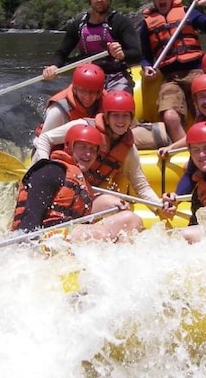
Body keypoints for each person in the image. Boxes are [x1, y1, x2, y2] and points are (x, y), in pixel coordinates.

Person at [33, 90, 176, 217]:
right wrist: (44, 169)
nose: (121, 121)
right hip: (59, 187)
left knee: (117, 206)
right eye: (116, 116)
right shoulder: (83, 126)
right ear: (106, 117)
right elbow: (45, 138)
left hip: (87, 196)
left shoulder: (129, 150)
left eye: (125, 116)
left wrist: (159, 206)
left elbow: (141, 187)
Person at [12, 124, 143, 243]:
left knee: (131, 220)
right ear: (69, 147)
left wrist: (111, 204)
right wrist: (28, 246)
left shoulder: (81, 179)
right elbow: (31, 216)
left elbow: (78, 212)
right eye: (82, 147)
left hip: (68, 231)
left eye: (93, 149)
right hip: (46, 236)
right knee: (102, 233)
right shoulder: (51, 170)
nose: (88, 154)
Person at [139, 0, 206, 142]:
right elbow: (145, 57)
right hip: (171, 78)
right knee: (170, 116)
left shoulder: (188, 12)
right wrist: (146, 67)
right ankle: (189, 149)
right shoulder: (147, 24)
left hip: (196, 72)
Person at [43, 0, 141, 93]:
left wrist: (122, 54)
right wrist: (54, 65)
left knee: (115, 103)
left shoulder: (121, 22)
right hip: (86, 78)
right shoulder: (78, 25)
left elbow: (137, 54)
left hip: (115, 76)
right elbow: (62, 53)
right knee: (56, 111)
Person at [33, 63, 105, 150]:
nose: (87, 97)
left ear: (99, 92)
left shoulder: (106, 101)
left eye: (92, 92)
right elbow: (43, 142)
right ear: (75, 89)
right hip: (55, 145)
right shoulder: (58, 110)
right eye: (83, 91)